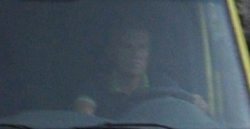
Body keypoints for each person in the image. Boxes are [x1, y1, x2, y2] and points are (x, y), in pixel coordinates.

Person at [73, 24, 208, 121]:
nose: (136, 54)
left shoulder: (162, 83)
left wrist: (196, 104)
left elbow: (182, 108)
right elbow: (84, 115)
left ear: (149, 53)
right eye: (127, 47)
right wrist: (85, 110)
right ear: (112, 52)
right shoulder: (97, 84)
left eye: (142, 47)